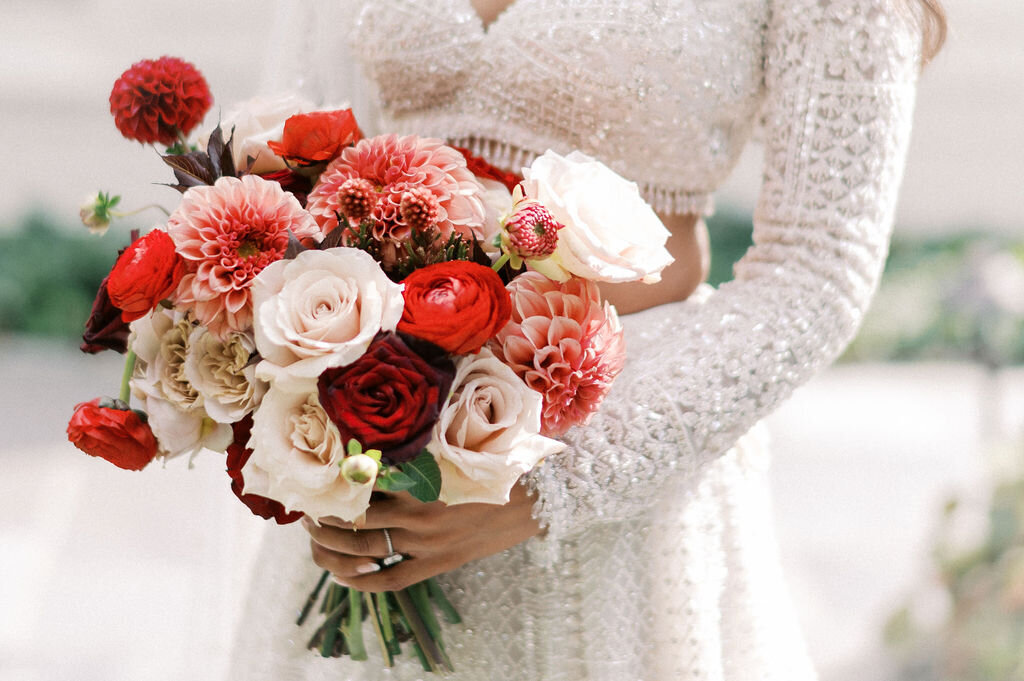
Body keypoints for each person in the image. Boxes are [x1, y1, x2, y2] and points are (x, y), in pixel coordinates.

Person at [229, 1, 946, 679]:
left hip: (622, 490)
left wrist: (551, 485)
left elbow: (818, 267)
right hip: (373, 450)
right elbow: (305, 149)